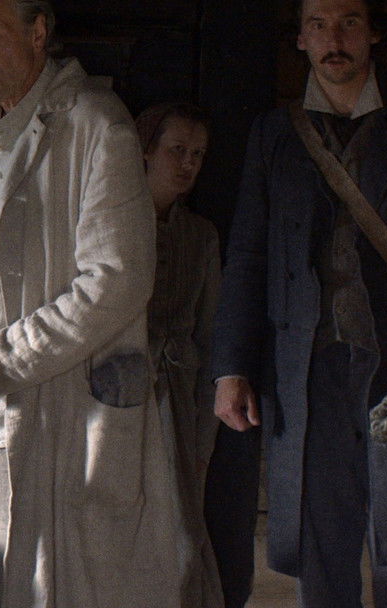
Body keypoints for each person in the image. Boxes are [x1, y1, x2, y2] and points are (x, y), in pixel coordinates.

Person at [0, 0, 185, 608]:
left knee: (51, 588)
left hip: (49, 410)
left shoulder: (96, 124)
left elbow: (118, 279)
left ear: (38, 33)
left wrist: (0, 359)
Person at [213, 0, 387, 607]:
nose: (332, 39)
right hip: (305, 370)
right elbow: (249, 255)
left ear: (374, 33)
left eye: (347, 23)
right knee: (320, 543)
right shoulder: (275, 133)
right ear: (301, 39)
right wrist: (231, 366)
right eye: (317, 25)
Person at [137, 103, 224, 608]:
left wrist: (203, 432)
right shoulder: (115, 224)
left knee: (181, 536)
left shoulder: (201, 236)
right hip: (121, 398)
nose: (188, 164)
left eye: (198, 154)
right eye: (177, 150)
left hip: (179, 401)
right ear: (148, 150)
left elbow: (210, 334)